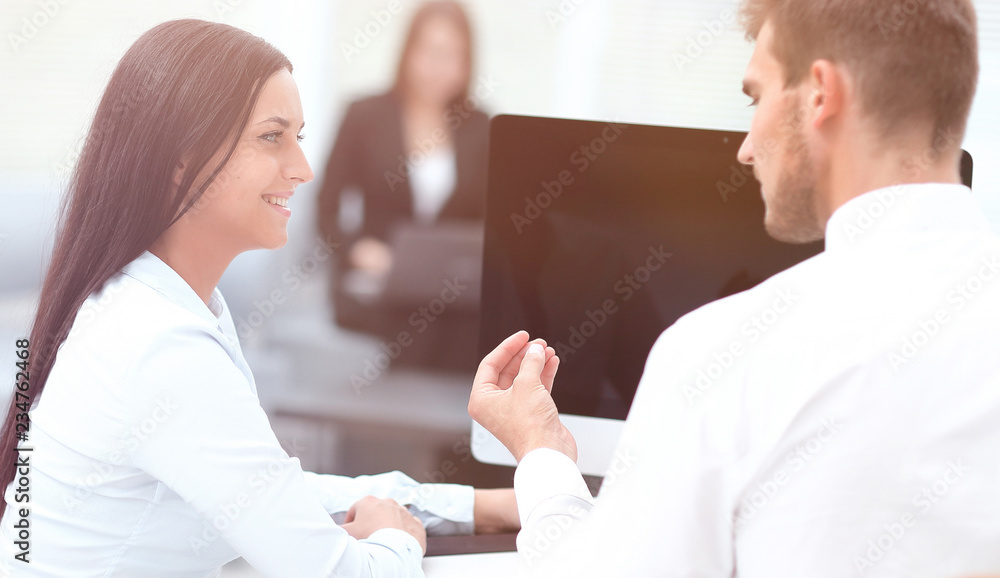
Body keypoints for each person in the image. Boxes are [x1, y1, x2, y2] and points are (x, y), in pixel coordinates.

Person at [468, 0, 1000, 576]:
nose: (746, 148)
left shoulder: (722, 351)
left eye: (756, 96)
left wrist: (541, 451)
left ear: (820, 93)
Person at [0, 19, 516, 577]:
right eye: (273, 137)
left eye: (298, 136)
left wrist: (473, 506)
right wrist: (398, 538)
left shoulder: (166, 305)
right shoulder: (163, 346)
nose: (303, 168)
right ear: (180, 159)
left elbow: (270, 489)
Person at [317, 1, 488, 370]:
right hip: (377, 282)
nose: (441, 68)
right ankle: (407, 426)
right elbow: (325, 208)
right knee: (417, 328)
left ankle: (441, 427)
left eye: (454, 56)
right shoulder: (364, 116)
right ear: (409, 51)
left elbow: (491, 224)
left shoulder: (481, 127)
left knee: (463, 328)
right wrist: (357, 251)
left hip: (451, 293)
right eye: (432, 52)